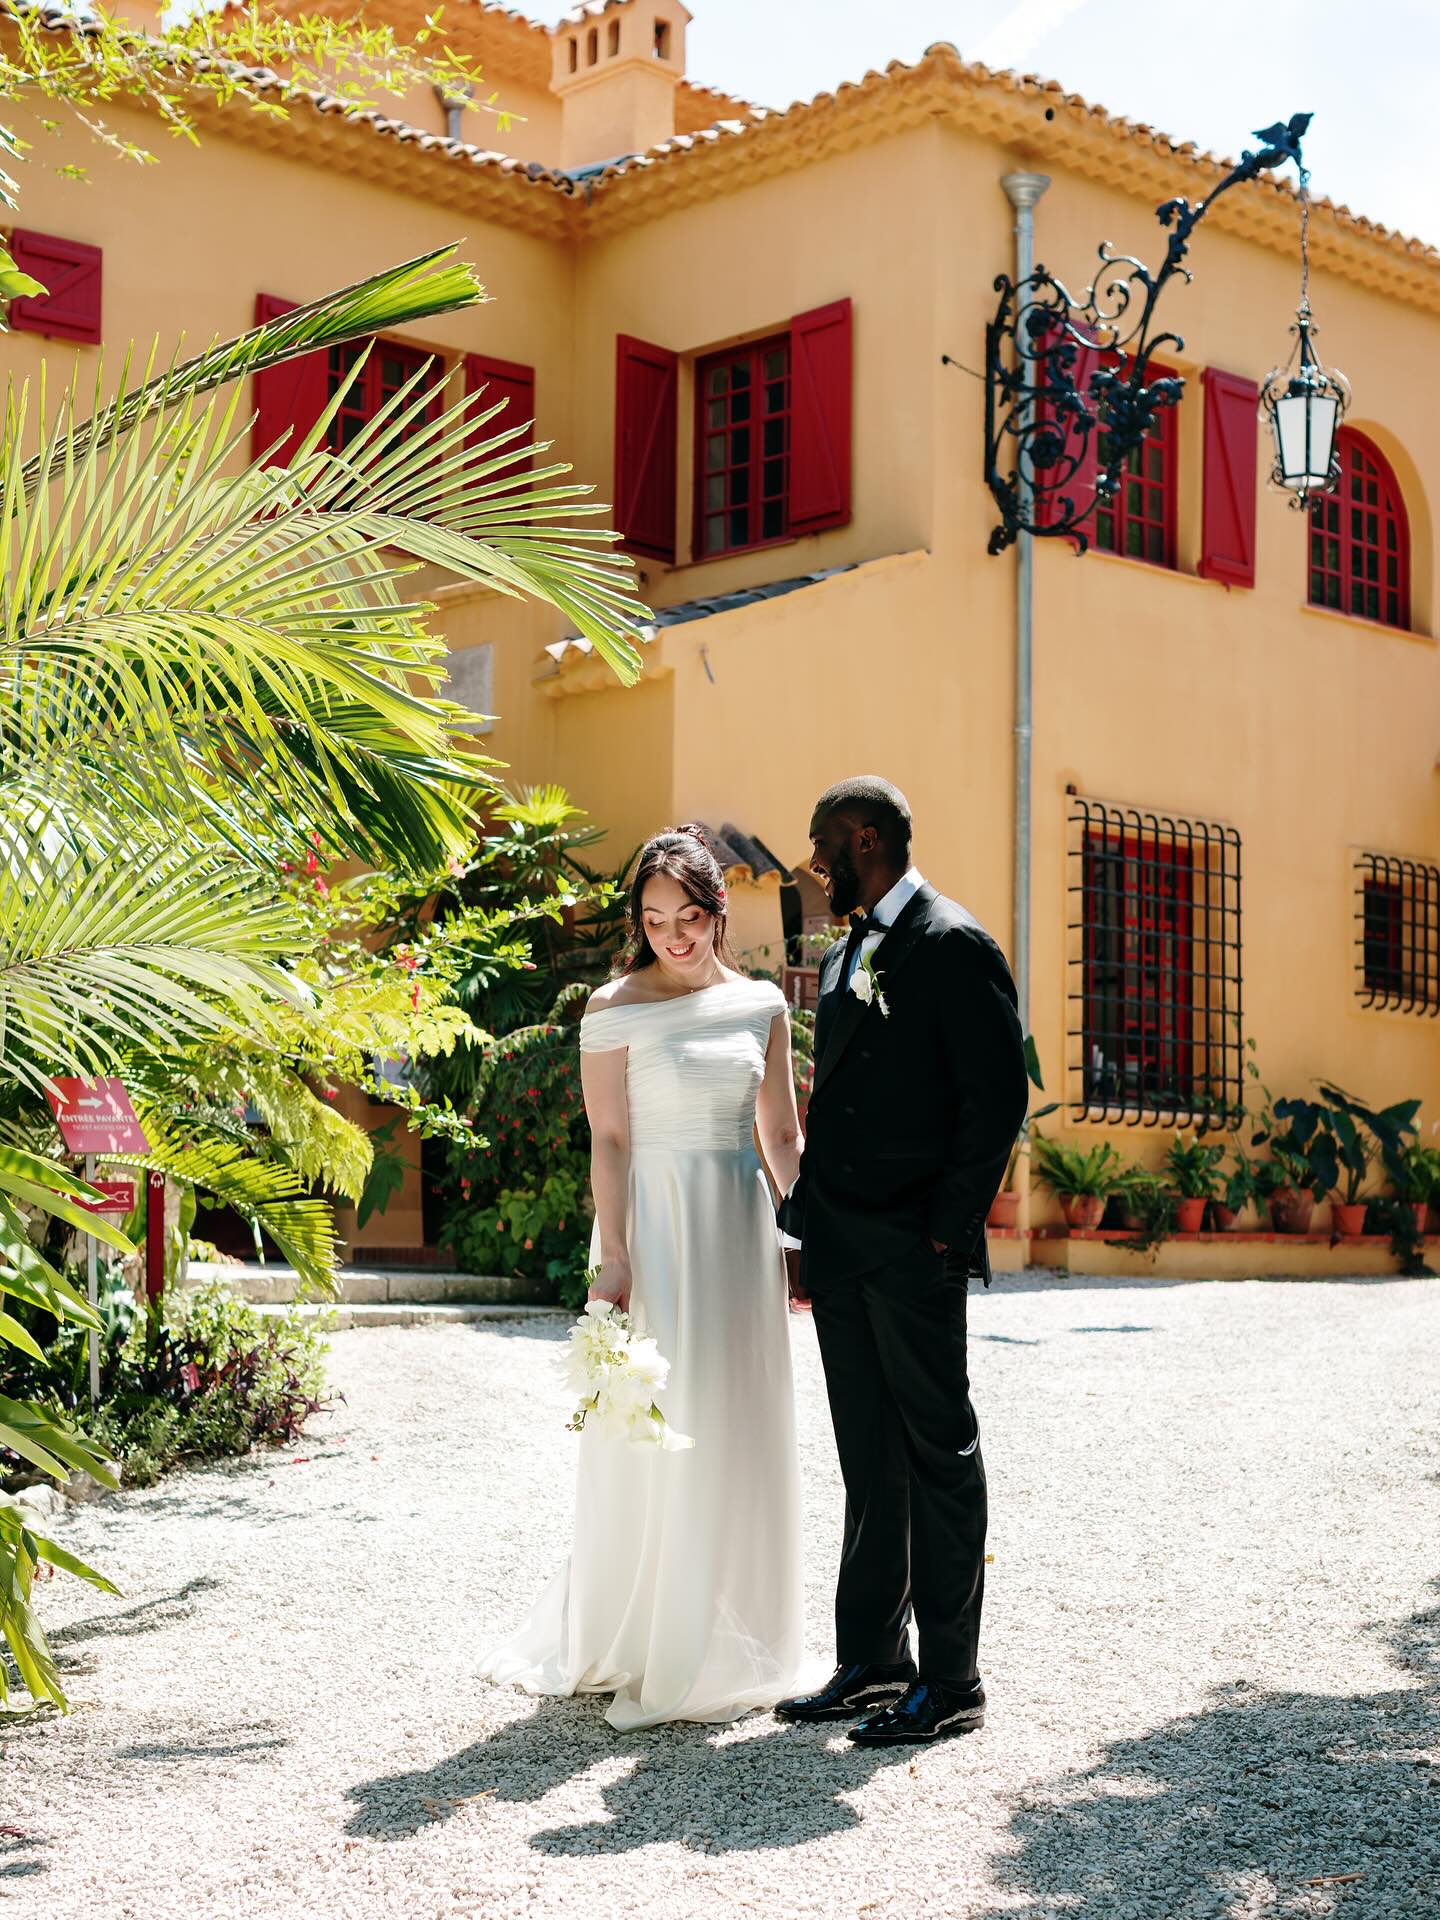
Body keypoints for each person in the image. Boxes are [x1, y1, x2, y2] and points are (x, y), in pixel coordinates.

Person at [477, 826, 807, 1731]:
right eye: (654, 918)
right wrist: (615, 1254)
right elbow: (611, 1137)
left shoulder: (762, 1007)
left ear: (716, 913)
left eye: (688, 917)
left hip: (738, 1229)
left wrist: (809, 1229)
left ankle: (735, 1631)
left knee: (736, 1412)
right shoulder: (611, 1005)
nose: (672, 935)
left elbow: (778, 1137)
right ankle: (646, 1632)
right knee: (653, 1424)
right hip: (651, 1228)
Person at [775, 776, 1028, 1744]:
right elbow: (833, 1100)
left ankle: (952, 1680)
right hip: (842, 1245)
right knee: (868, 1461)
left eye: (822, 847)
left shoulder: (952, 942)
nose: (815, 865)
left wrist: (941, 1230)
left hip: (910, 1248)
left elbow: (994, 1098)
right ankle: (875, 1660)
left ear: (864, 839)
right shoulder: (849, 951)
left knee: (937, 1458)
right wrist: (806, 1228)